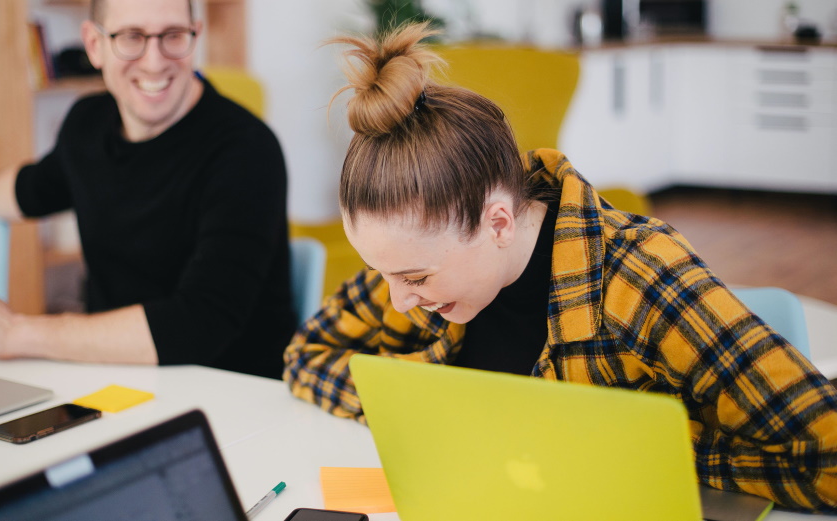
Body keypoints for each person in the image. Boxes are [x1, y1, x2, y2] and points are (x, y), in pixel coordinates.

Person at [283, 23, 837, 512]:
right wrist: (429, 412)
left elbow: (827, 454)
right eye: (384, 273)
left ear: (498, 223)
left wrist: (648, 448)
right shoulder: (419, 262)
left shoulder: (639, 277)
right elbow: (306, 357)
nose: (398, 299)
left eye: (415, 279)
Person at [0, 0, 295, 379]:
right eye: (131, 37)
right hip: (115, 378)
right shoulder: (88, 123)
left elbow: (199, 324)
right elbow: (32, 188)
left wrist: (16, 332)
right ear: (94, 45)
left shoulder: (247, 150)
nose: (154, 61)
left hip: (233, 395)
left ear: (194, 36)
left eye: (173, 36)